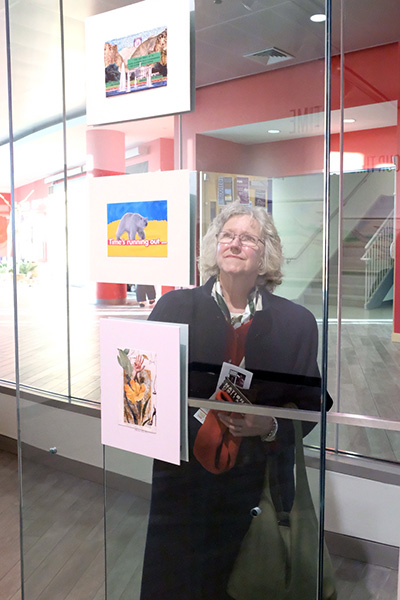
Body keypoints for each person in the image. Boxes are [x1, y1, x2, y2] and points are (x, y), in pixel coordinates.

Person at [140, 202, 324, 600]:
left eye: (248, 238)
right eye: (228, 235)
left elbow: (312, 402)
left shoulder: (296, 324)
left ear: (266, 254)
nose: (235, 244)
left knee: (245, 583)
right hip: (182, 480)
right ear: (214, 246)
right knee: (177, 582)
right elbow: (144, 388)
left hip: (255, 484)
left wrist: (270, 425)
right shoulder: (174, 308)